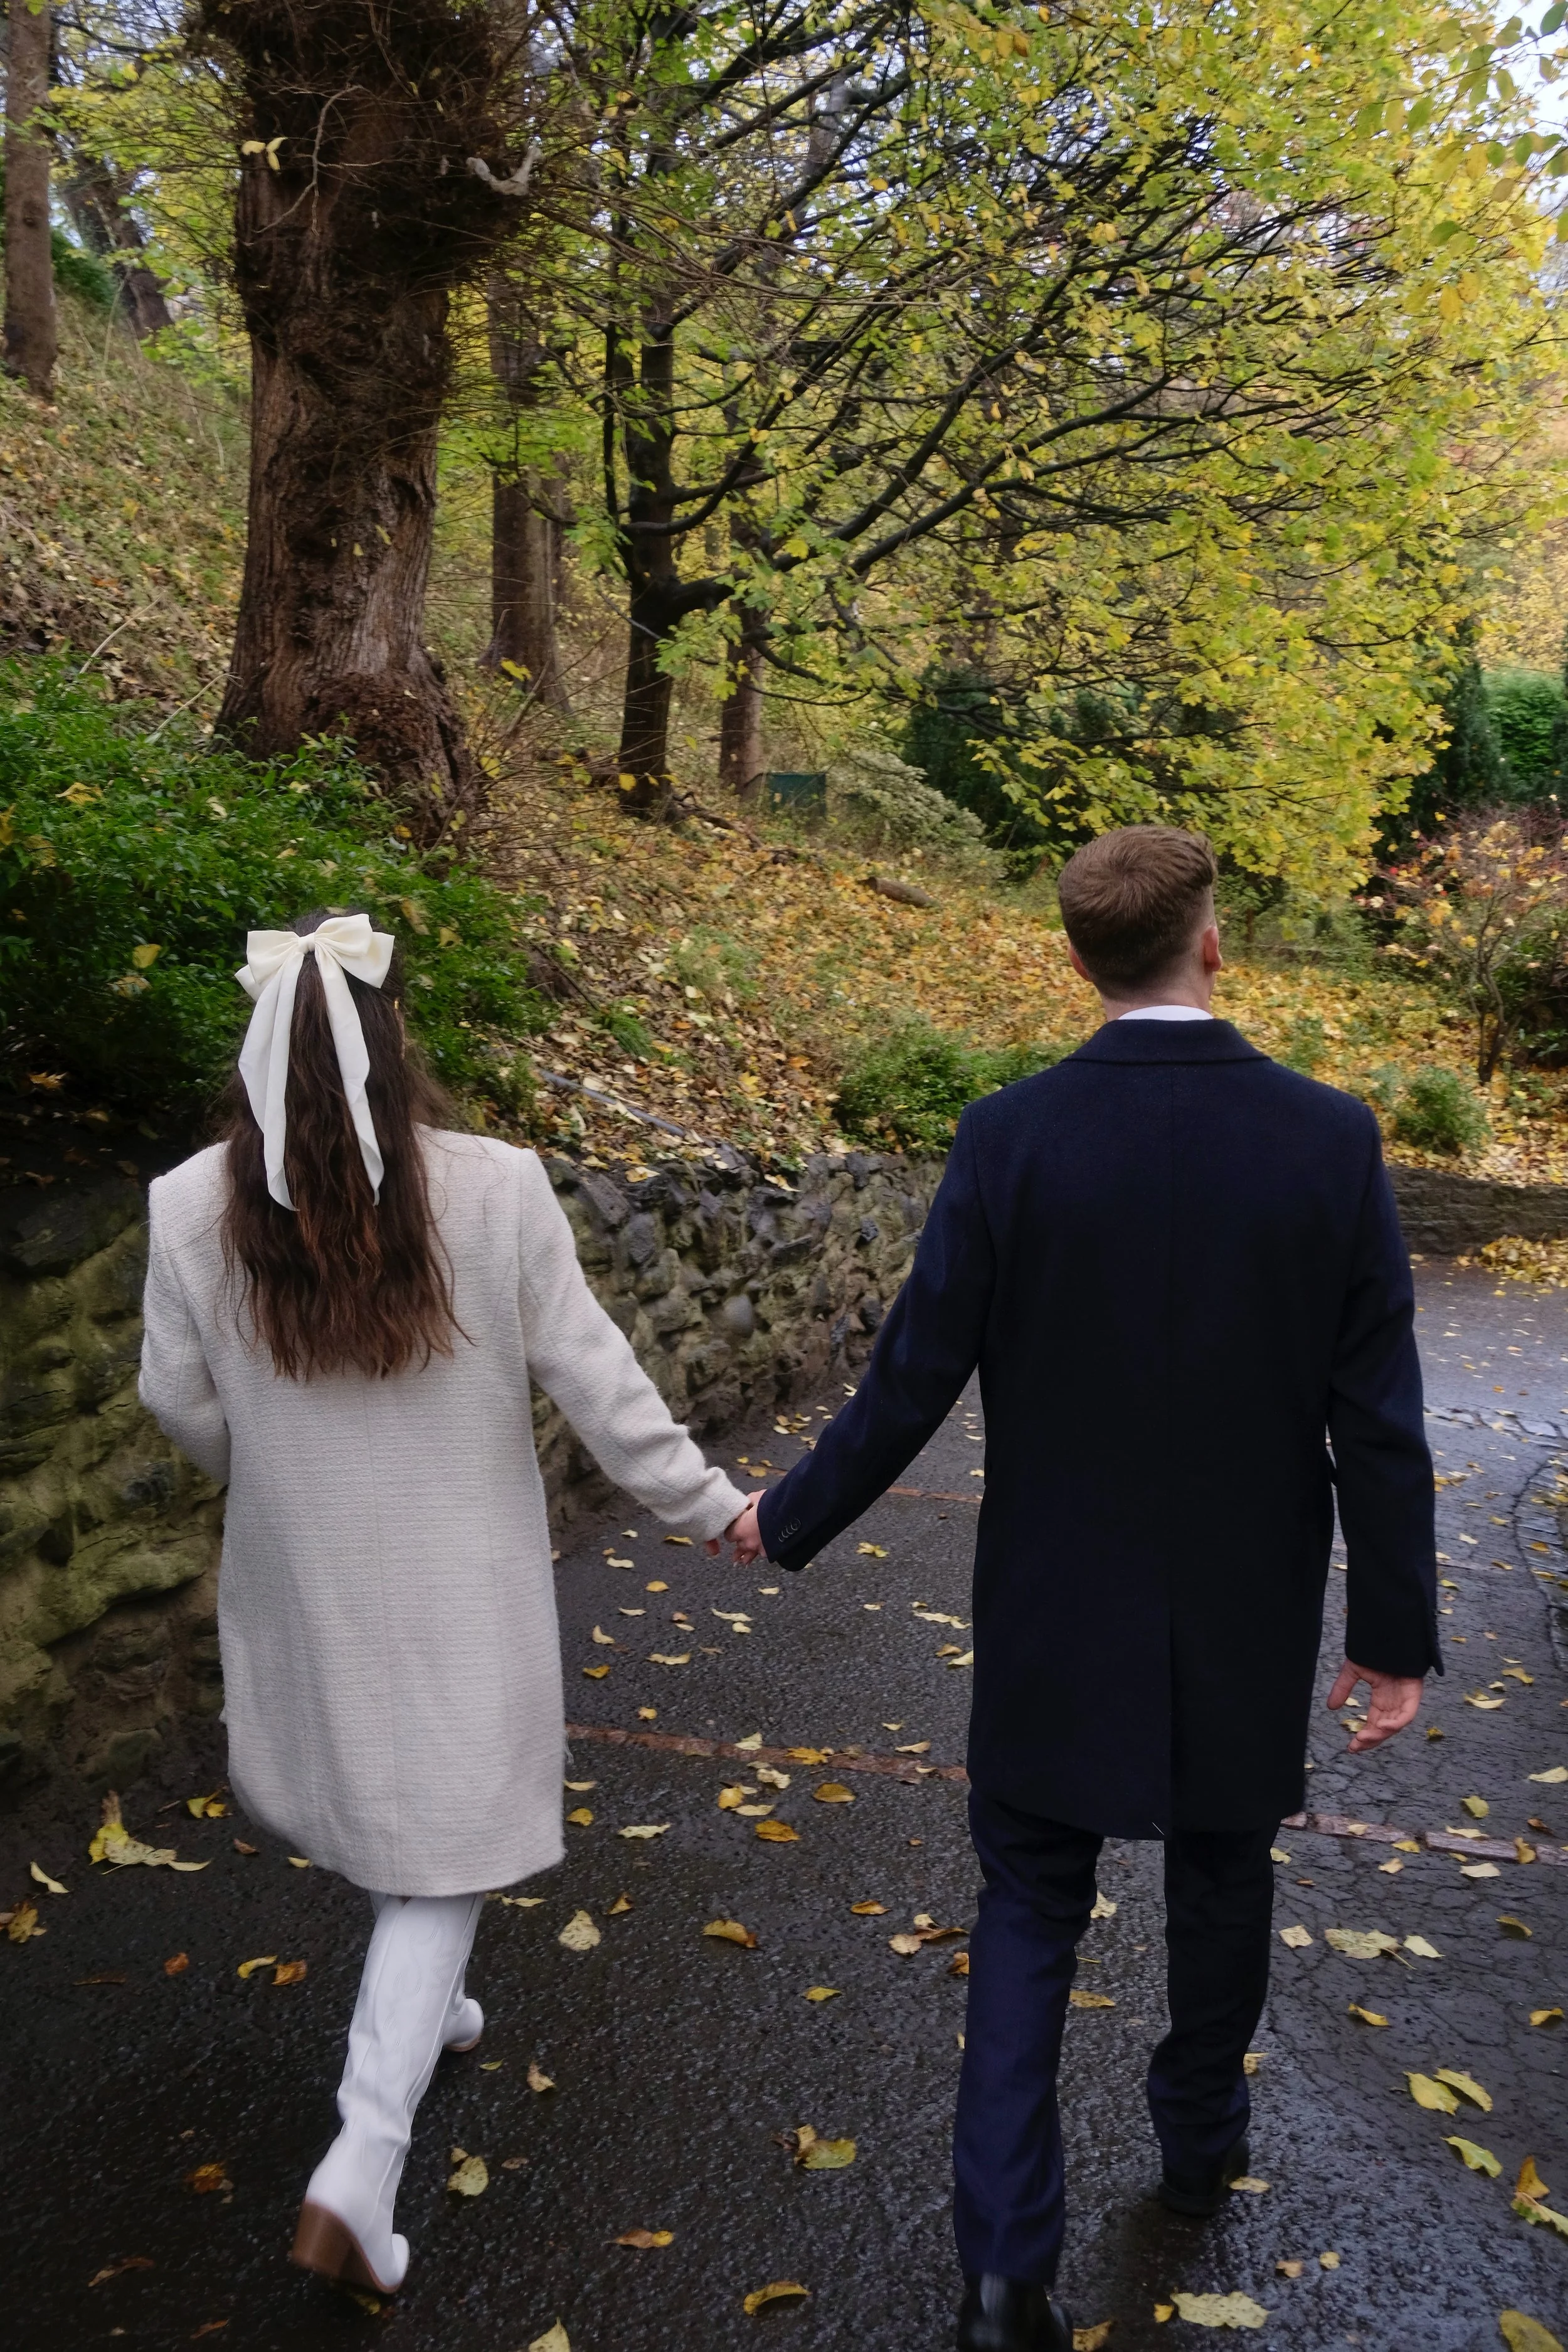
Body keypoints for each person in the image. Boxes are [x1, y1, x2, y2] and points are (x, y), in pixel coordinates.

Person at [728, 826, 1439, 2352]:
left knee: (1027, 1906)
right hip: (1244, 1603)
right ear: (1211, 943)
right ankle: (1194, 2151)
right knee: (1219, 1877)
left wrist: (785, 1515)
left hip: (1051, 1597)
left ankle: (1000, 2273)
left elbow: (913, 1371)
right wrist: (1392, 1638)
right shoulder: (1328, 1139)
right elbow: (1375, 1413)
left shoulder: (1009, 1135)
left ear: (1075, 962)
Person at [139, 909, 749, 2297]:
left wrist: (269, 1476)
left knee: (400, 1806)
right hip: (460, 1575)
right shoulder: (494, 1187)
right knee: (444, 1846)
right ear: (397, 1033)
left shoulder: (185, 1204)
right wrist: (709, 1507)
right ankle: (361, 2162)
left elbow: (176, 1401)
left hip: (305, 1568)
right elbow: (597, 1380)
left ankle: (433, 2005)